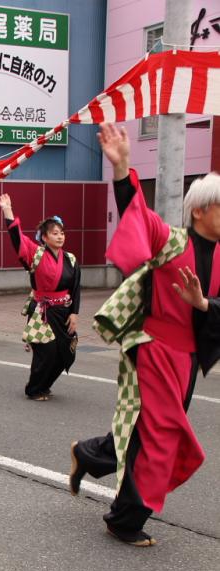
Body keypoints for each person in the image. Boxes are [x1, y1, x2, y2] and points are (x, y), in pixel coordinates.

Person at [69, 122, 220, 547]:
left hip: (188, 359)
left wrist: (204, 305)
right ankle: (125, 519)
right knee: (162, 433)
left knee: (145, 430)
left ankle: (90, 453)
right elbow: (137, 213)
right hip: (154, 348)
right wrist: (121, 169)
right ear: (199, 211)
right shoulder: (171, 241)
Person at [0, 194, 80, 400]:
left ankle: (45, 384)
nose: (60, 236)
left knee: (65, 352)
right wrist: (8, 211)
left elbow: (76, 287)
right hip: (42, 311)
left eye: (62, 233)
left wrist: (75, 313)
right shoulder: (35, 254)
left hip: (64, 311)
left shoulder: (70, 258)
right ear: (44, 237)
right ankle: (34, 389)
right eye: (55, 233)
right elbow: (18, 239)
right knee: (47, 352)